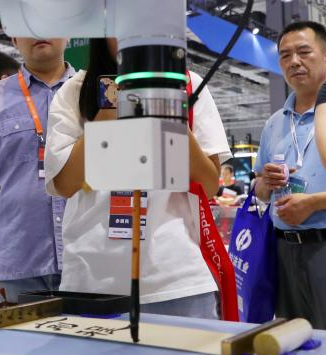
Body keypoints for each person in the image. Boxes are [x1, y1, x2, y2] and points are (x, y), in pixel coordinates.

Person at [45, 38, 230, 318]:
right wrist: (109, 110)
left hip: (177, 277)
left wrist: (171, 113)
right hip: (92, 279)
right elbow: (64, 185)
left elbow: (210, 185)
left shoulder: (187, 84)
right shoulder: (75, 90)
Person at [253, 21, 326, 331]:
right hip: (282, 250)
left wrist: (314, 203)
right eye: (285, 55)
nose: (294, 61)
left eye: (304, 52)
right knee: (291, 338)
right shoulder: (274, 124)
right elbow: (259, 191)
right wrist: (265, 183)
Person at [0, 37, 74, 302]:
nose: (38, 31)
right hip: (14, 263)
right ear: (13, 38)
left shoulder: (94, 93)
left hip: (86, 260)